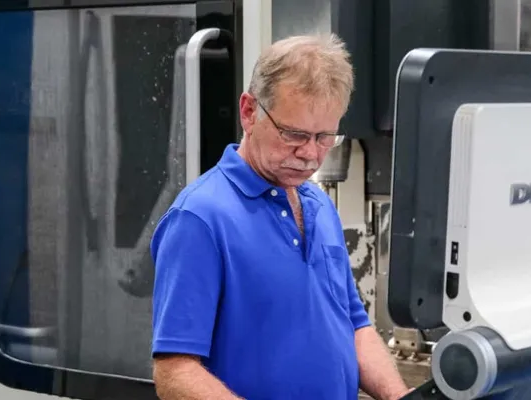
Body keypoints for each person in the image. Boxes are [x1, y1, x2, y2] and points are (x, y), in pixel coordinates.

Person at [148, 34, 408, 400]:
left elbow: (356, 328)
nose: (310, 154)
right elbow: (175, 372)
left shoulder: (319, 205)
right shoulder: (200, 218)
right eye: (294, 134)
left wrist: (399, 396)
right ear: (249, 112)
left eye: (324, 137)